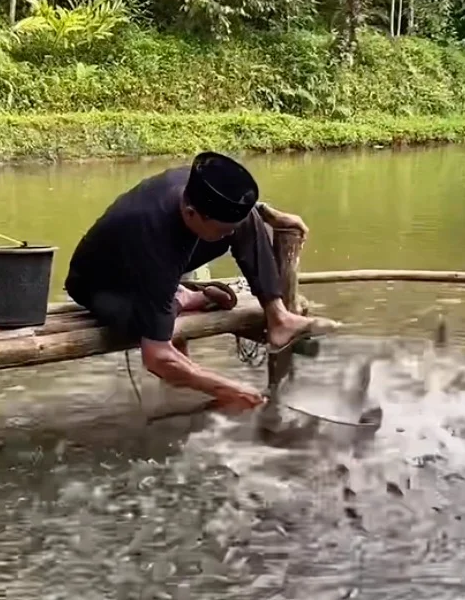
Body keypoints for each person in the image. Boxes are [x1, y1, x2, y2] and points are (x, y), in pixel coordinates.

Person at [65, 152, 313, 412]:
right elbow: (157, 357)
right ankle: (182, 298)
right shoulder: (154, 243)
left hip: (153, 259)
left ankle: (279, 318)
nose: (229, 234)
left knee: (248, 222)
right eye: (223, 230)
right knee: (148, 325)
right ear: (191, 213)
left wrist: (266, 213)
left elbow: (233, 207)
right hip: (105, 284)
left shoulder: (195, 185)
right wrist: (227, 389)